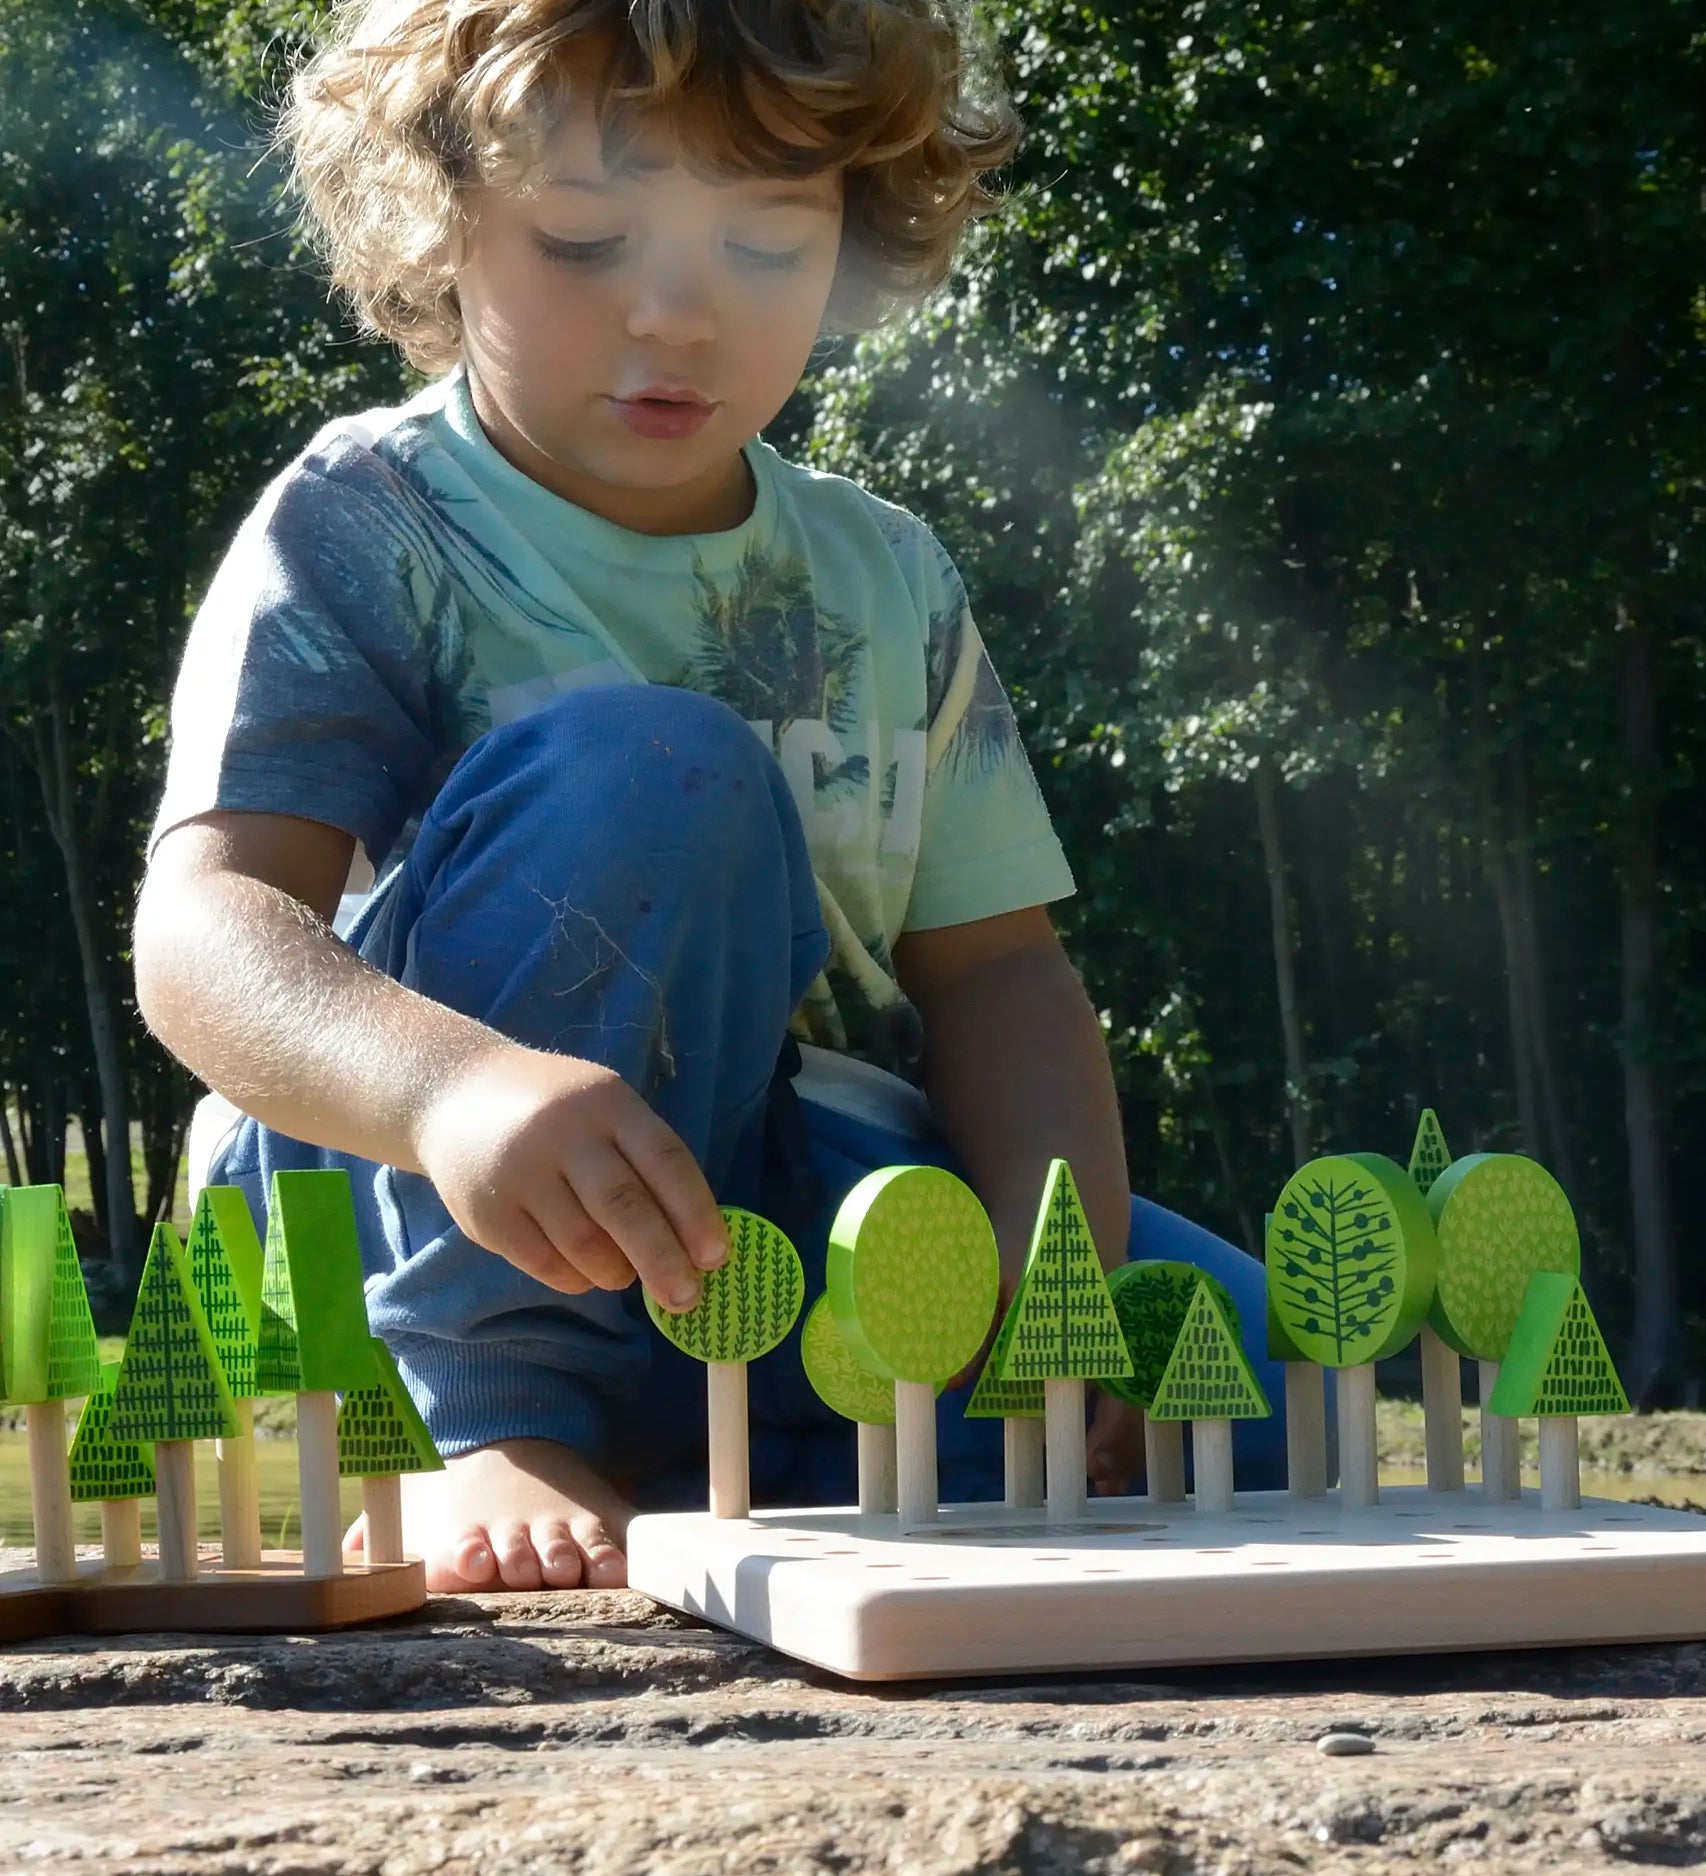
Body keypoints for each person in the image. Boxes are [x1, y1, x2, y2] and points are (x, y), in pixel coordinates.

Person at [136, 0, 1289, 1596]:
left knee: (1260, 1386)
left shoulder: (882, 569)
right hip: (431, 1183)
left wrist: (1053, 1302)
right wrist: (449, 1091)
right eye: (588, 237)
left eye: (763, 251)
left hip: (792, 1205)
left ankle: (763, 1448)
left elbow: (1002, 973)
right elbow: (206, 931)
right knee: (656, 763)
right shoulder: (370, 523)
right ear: (438, 216)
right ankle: (503, 1416)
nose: (675, 315)